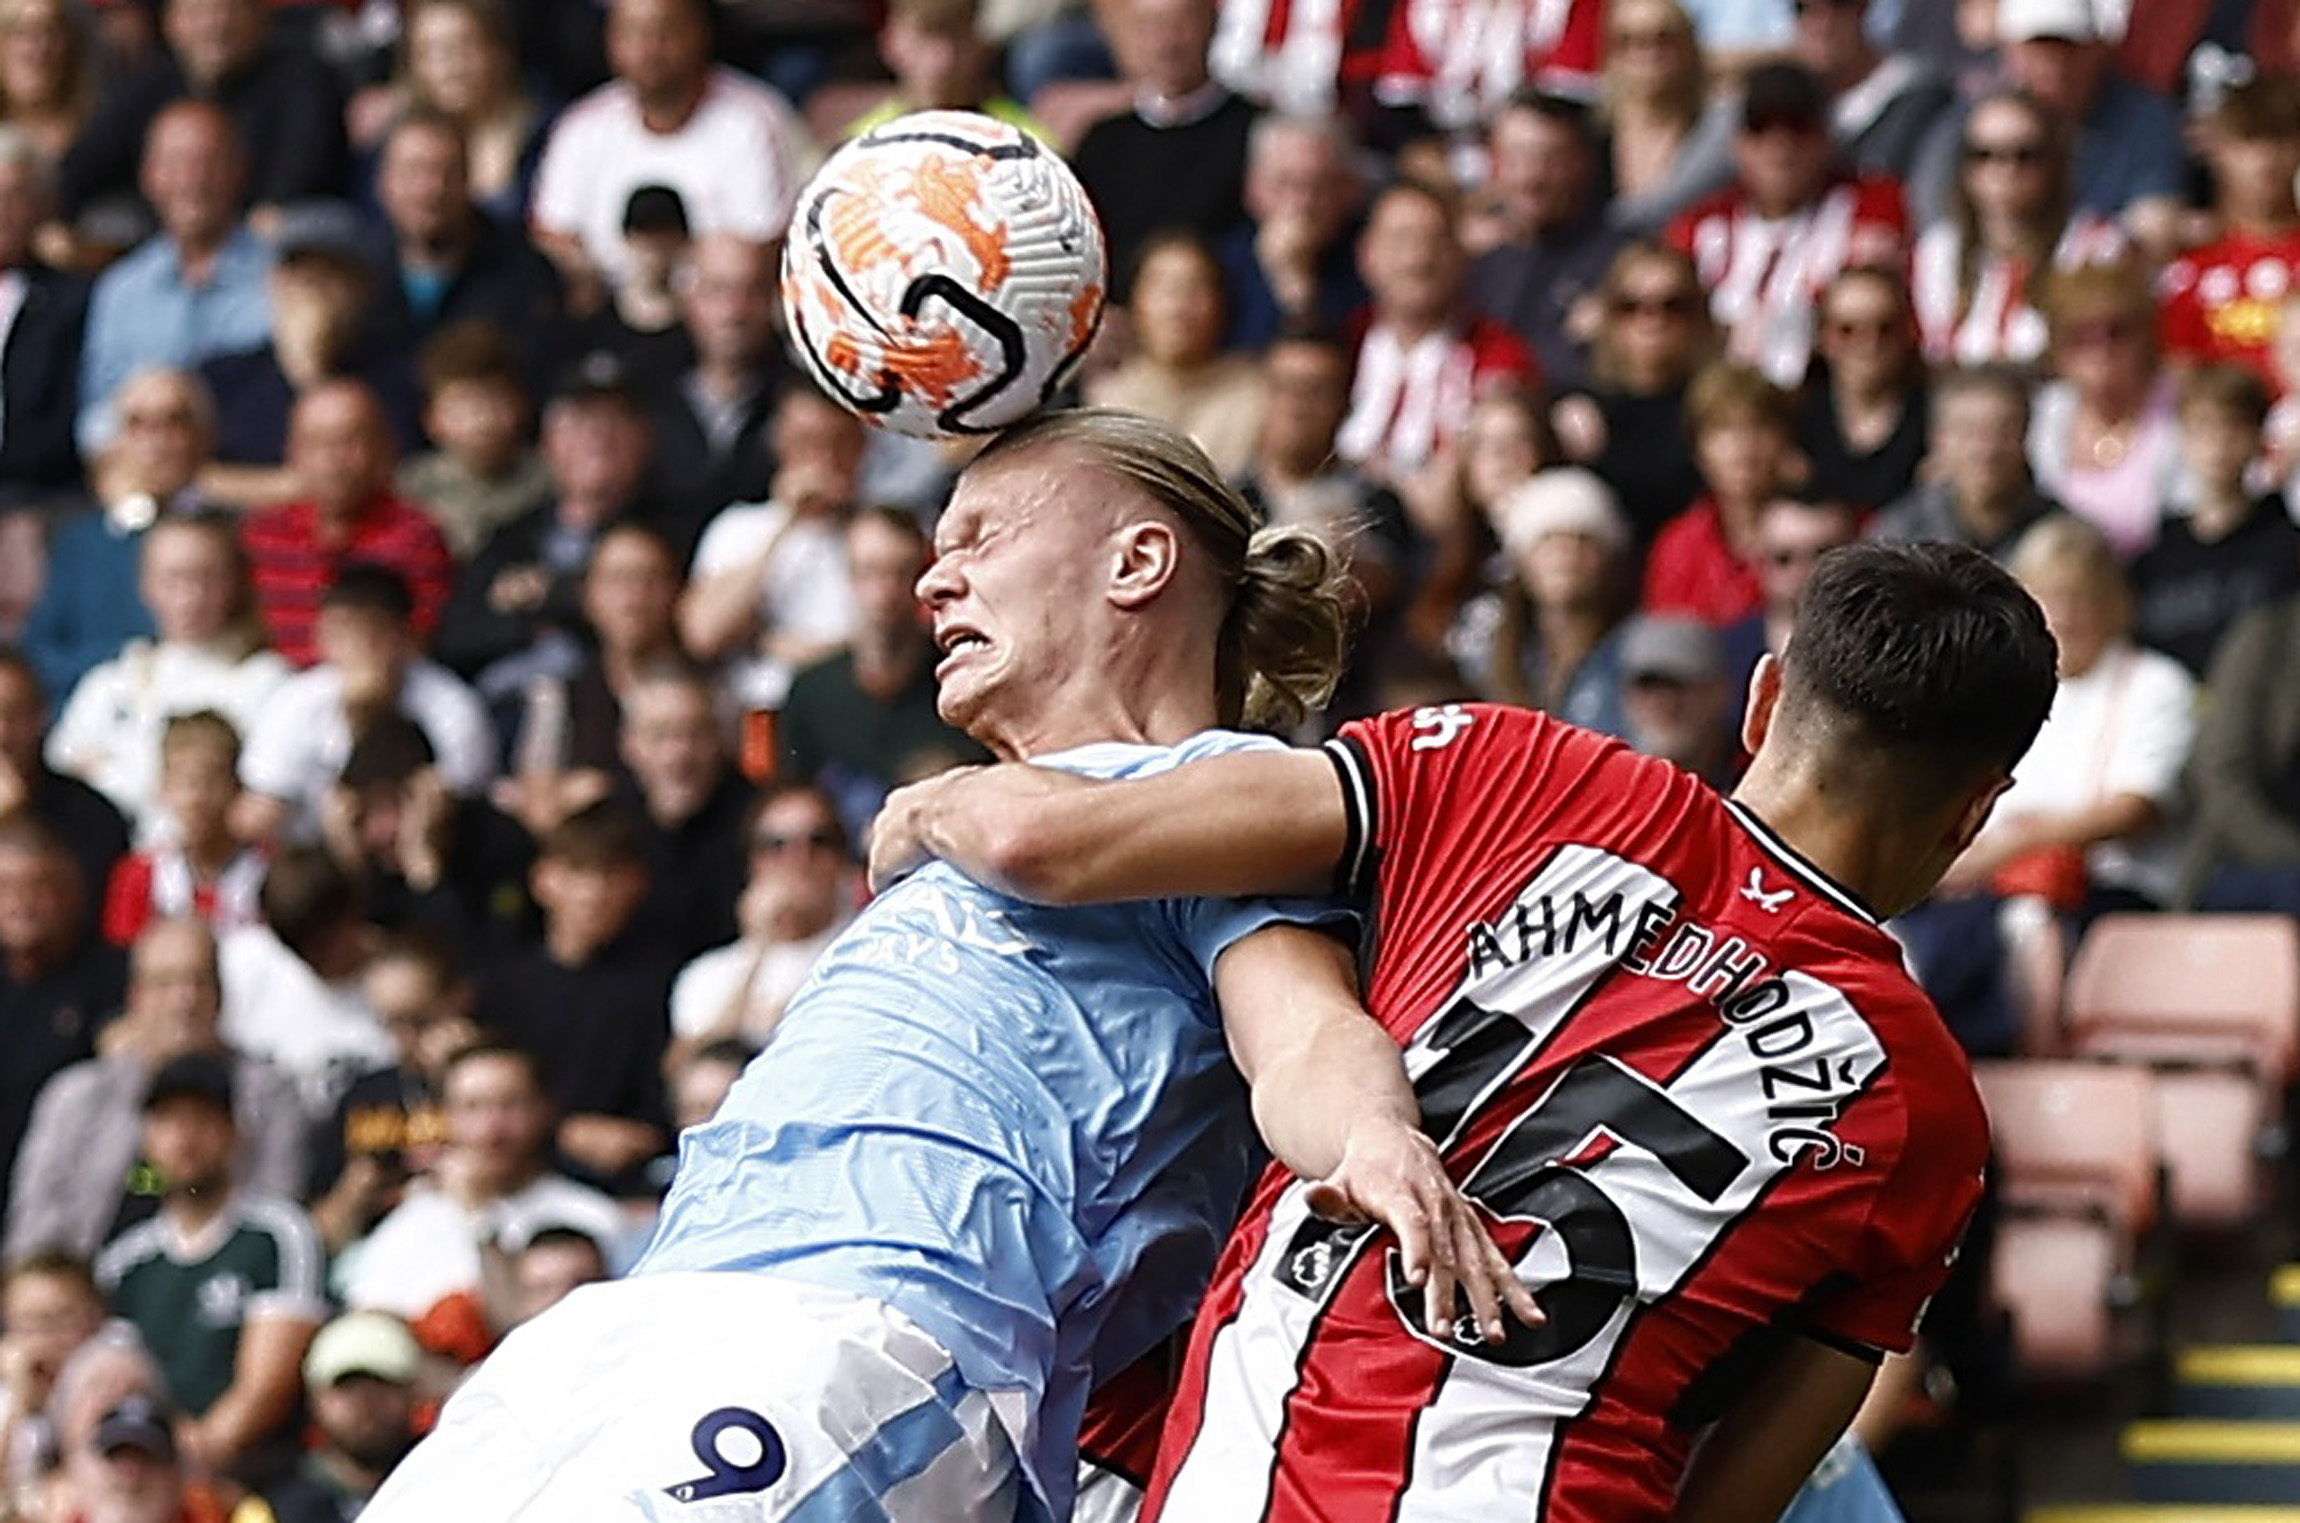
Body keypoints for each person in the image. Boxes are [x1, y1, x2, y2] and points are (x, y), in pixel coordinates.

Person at [364, 408, 1521, 1522]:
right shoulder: (971, 824)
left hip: (871, 1337)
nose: (932, 581)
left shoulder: (1203, 800)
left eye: (980, 536)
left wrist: (1373, 1136)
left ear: (1138, 559)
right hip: (649, 1312)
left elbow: (1301, 1030)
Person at [868, 536, 2060, 1523]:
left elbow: (1067, 843)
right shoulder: (1927, 1110)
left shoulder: (1515, 765)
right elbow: (1740, 1494)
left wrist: (931, 800)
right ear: (1975, 808)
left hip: (1260, 1470)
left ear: (1759, 701)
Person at [1938, 514, 2195, 920]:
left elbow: (2138, 807)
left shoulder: (2155, 683)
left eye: (2081, 597)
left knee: (2027, 923)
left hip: (2109, 894)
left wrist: (2020, 843)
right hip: (1988, 886)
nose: (2065, 615)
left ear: (2113, 601)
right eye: (2049, 597)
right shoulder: (2001, 688)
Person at [7, 917, 303, 1264]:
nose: (184, 1000)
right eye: (165, 983)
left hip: (218, 1282)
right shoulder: (78, 1096)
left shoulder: (267, 1093)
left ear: (220, 997)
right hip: (89, 1290)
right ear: (137, 998)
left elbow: (277, 1211)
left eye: (198, 981)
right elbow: (33, 1229)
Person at [94, 1051, 325, 1480]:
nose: (185, 1138)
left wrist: (191, 1469)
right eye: (168, 1121)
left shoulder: (277, 1235)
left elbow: (265, 1390)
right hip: (146, 1465)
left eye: (201, 1119)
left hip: (259, 1471)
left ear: (235, 1131)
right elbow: (113, 1384)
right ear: (146, 1139)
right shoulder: (124, 1262)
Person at [338, 1041, 626, 1361]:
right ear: (445, 1115)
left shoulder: (593, 1217)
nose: (492, 1127)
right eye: (472, 1107)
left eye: (510, 1104)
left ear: (545, 1109)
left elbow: (521, 1330)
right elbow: (366, 1338)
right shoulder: (413, 1220)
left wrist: (479, 1215)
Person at [528, 0, 812, 309]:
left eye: (666, 31)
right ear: (610, 41)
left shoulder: (753, 121)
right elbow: (553, 236)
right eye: (633, 33)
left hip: (722, 322)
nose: (650, 48)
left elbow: (765, 247)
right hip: (606, 322)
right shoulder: (581, 127)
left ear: (702, 33)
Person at [471, 801, 673, 1194]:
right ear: (543, 880)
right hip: (523, 1176)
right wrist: (561, 1131)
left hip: (636, 1181)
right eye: (579, 872)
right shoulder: (503, 988)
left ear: (637, 883)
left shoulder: (663, 983)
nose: (594, 892)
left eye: (610, 873)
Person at [1667, 61, 1909, 388]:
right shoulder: (1703, 224)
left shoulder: (1870, 206)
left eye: (1798, 128)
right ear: (1738, 144)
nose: (1779, 149)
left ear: (1825, 136)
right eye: (1761, 128)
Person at [47, 515, 286, 832]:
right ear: (145, 584)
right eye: (172, 578)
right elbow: (63, 774)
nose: (190, 597)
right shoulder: (111, 679)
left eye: (207, 578)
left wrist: (109, 772)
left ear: (236, 583)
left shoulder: (267, 682)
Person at [74, 102, 274, 460]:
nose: (191, 180)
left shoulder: (280, 277)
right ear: (149, 177)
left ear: (239, 170)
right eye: (175, 164)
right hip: (142, 482)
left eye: (208, 162)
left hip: (253, 480)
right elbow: (94, 415)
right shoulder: (121, 290)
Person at [236, 565, 494, 840]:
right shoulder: (294, 701)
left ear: (405, 636)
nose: (358, 648)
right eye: (342, 634)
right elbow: (258, 813)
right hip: (321, 855)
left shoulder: (452, 706)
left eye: (372, 635)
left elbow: (463, 797)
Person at [778, 507, 987, 841]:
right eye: (869, 571)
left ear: (922, 578)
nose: (884, 591)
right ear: (848, 578)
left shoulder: (963, 679)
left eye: (899, 571)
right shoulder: (811, 692)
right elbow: (788, 803)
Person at [54, 0, 346, 233]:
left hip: (267, 240)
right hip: (166, 240)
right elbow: (84, 167)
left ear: (261, 16)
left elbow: (305, 166)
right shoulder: (149, 86)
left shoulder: (304, 79)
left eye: (230, 9)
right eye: (198, 12)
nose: (215, 25)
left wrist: (268, 210)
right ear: (171, 23)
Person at [25, 369, 218, 702]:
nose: (156, 441)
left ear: (203, 437)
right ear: (118, 442)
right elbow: (39, 656)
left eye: (174, 422)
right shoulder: (81, 543)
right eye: (138, 425)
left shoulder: (236, 536)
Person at [1337, 178, 1541, 490]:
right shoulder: (1340, 346)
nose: (1418, 260)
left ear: (1461, 257)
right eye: (1400, 241)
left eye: (1436, 242)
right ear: (1367, 255)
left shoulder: (1500, 355)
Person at [240, 382, 455, 669]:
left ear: (383, 448)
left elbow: (420, 642)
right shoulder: (261, 535)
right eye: (316, 442)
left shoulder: (416, 535)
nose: (332, 460)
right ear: (292, 453)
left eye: (349, 441)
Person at [679, 385, 864, 714]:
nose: (825, 460)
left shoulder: (883, 530)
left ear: (863, 447)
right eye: (807, 443)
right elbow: (704, 633)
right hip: (762, 715)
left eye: (839, 443)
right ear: (780, 444)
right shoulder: (739, 527)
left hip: (853, 710)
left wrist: (784, 647)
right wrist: (787, 521)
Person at [1912, 89, 2123, 368]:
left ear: (2053, 164)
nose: (2006, 169)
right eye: (1985, 155)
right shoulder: (1940, 250)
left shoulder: (2095, 246)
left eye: (2025, 155)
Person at [368, 108, 565, 391]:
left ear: (470, 180)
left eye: (447, 172)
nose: (431, 190)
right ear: (383, 184)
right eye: (413, 172)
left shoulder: (523, 273)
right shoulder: (359, 274)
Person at [304, 931, 477, 1255]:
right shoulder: (365, 1097)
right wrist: (354, 1194)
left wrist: (455, 1076)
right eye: (390, 1024)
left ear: (458, 998)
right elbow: (322, 1236)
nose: (404, 1040)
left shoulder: (499, 1082)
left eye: (419, 1021)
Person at [1072, 0, 1260, 289]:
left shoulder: (1257, 133)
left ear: (1213, 25)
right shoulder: (1102, 142)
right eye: (1148, 28)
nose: (1166, 43)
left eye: (1181, 25)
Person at [2132, 365, 2300, 679]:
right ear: (2182, 437)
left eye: (2234, 426)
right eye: (2204, 427)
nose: (2219, 444)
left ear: (2259, 438)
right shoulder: (2157, 557)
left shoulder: (2287, 546)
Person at [668, 783, 854, 1061]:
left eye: (818, 840)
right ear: (753, 862)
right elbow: (691, 1072)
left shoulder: (868, 951)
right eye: (777, 845)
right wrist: (760, 947)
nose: (799, 858)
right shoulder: (709, 975)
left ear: (841, 858)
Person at [1550, 241, 1714, 547]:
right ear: (1610, 317)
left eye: (1672, 305)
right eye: (1631, 306)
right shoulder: (1580, 407)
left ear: (1697, 315)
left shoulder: (1715, 407)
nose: (1652, 320)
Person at [1448, 467, 1633, 736]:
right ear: (1522, 559)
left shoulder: (1634, 653)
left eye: (1583, 541)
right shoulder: (1482, 649)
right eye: (1549, 542)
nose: (1566, 558)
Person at [1463, 91, 1623, 393]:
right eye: (1515, 157)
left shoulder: (1621, 262)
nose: (1531, 179)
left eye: (1551, 160)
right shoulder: (1467, 260)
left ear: (1583, 163)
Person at [2026, 256, 2180, 558]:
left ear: (2147, 336)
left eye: (2117, 332)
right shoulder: (2045, 414)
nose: (2101, 350)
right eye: (2080, 336)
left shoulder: (2181, 407)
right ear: (2056, 347)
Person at [1087, 230, 1265, 477]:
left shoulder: (1260, 393)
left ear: (1223, 303)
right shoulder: (1102, 398)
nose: (1178, 305)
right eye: (1163, 287)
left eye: (1196, 287)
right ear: (1134, 301)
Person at [2161, 73, 2300, 387]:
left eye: (2280, 139)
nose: (2266, 160)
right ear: (2220, 152)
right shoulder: (2189, 276)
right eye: (2249, 141)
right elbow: (2180, 383)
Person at [1643, 361, 1801, 626]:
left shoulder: (1819, 534)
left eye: (1759, 428)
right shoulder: (1679, 546)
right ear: (1699, 449)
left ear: (1785, 438)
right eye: (1724, 430)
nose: (1743, 448)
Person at [647, 234, 785, 533]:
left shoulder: (798, 396)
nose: (734, 312)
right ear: (687, 299)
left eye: (752, 292)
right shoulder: (643, 389)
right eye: (717, 291)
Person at [241, 1310, 423, 1523]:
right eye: (347, 1387)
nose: (366, 1404)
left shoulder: (449, 1475)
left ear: (413, 1391)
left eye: (382, 1385)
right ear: (315, 1399)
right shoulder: (274, 1510)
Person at [1871, 363, 2060, 561]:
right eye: (1968, 432)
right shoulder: (1897, 536)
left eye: (2003, 431)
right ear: (1938, 439)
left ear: (2027, 436)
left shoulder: (2060, 533)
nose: (1985, 449)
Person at [395, 322, 552, 561]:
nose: (482, 419)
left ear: (520, 406)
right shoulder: (412, 487)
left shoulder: (548, 482)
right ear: (432, 419)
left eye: (494, 401)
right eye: (464, 405)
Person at [1214, 112, 1366, 350]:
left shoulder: (1368, 260)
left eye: (1319, 185)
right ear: (1252, 190)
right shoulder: (1220, 266)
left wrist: (1296, 286)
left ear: (1348, 190)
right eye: (1284, 184)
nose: (1302, 203)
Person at [1594, 0, 1736, 236]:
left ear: (1688, 45)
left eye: (1664, 39)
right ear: (1612, 54)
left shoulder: (1719, 128)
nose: (1649, 53)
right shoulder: (1590, 133)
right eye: (1630, 42)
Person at [1798, 265, 1929, 514]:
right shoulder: (1795, 421)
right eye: (1847, 330)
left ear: (1907, 333)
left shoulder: (1937, 420)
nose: (1868, 343)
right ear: (1823, 337)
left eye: (1885, 328)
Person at [0, 126, 86, 498]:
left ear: (44, 206)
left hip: (29, 498)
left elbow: (64, 428)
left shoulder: (70, 302)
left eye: (15, 195)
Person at [0, 1252, 104, 1511]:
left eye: (59, 1320)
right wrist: (20, 1400)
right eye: (29, 1323)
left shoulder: (117, 1373)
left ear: (95, 1318)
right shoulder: (9, 1389)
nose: (44, 1340)